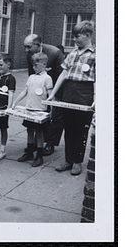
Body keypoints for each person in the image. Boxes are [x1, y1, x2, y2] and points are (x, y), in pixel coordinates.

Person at [47, 21, 95, 176]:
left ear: (87, 35)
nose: (74, 39)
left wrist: (96, 97)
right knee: (69, 127)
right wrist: (54, 92)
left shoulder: (95, 55)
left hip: (84, 93)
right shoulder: (72, 53)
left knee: (81, 129)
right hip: (69, 92)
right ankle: (68, 160)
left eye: (77, 36)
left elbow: (98, 78)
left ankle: (77, 162)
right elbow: (63, 74)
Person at [24, 34, 65, 156]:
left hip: (57, 87)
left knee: (56, 115)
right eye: (25, 47)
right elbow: (32, 73)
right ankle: (38, 142)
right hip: (40, 86)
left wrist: (53, 95)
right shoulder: (30, 55)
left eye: (28, 47)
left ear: (38, 45)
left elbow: (61, 76)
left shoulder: (55, 53)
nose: (26, 50)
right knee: (39, 113)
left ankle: (51, 143)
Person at [12, 53, 53, 167]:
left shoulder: (47, 78)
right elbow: (25, 91)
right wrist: (15, 102)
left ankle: (39, 156)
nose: (33, 67)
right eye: (32, 65)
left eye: (36, 65)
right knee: (29, 130)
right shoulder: (31, 77)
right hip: (29, 109)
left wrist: (51, 109)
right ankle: (29, 152)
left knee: (39, 133)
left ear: (44, 64)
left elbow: (50, 95)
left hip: (40, 111)